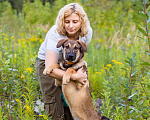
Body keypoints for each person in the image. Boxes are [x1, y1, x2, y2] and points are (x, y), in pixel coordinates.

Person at [36, 2, 93, 120]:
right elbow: (50, 70)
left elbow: (81, 55)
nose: (71, 26)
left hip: (71, 65)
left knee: (71, 104)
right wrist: (75, 77)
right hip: (49, 63)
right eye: (67, 22)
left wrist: (79, 73)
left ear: (82, 21)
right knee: (54, 103)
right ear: (62, 21)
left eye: (75, 22)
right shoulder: (55, 33)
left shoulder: (87, 32)